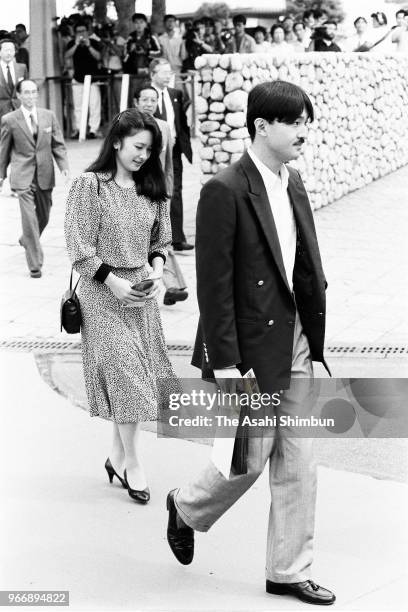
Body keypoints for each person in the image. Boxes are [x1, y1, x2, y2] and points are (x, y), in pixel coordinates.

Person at [165, 80, 335, 606]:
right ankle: (187, 507)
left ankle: (288, 570)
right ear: (262, 126)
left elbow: (302, 262)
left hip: (296, 340)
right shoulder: (225, 189)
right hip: (250, 347)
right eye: (296, 122)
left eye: (306, 121)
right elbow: (214, 286)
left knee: (300, 461)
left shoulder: (295, 181)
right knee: (250, 457)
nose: (304, 131)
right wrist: (225, 359)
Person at [65, 108, 176, 504]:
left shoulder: (151, 188)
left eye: (149, 150)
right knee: (126, 374)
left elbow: (161, 241)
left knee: (129, 378)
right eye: (138, 147)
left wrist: (157, 271)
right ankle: (133, 463)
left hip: (141, 295)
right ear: (116, 142)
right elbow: (79, 248)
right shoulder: (89, 186)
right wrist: (113, 283)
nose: (143, 156)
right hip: (101, 294)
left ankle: (115, 456)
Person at [0, 79, 69, 278]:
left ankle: (26, 239)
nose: (30, 96)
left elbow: (58, 145)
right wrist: (1, 175)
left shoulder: (49, 116)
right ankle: (35, 263)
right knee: (29, 219)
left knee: (44, 215)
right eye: (26, 93)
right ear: (19, 96)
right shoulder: (10, 119)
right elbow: (3, 150)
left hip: (45, 174)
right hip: (22, 176)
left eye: (33, 92)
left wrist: (63, 167)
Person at [134, 83, 188, 306]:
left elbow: (168, 165)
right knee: (150, 240)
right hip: (134, 191)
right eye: (144, 99)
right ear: (136, 102)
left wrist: (168, 191)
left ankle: (171, 286)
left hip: (157, 192)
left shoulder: (165, 127)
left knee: (159, 238)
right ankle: (169, 284)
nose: (149, 104)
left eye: (153, 100)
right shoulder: (128, 124)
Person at [150, 58, 193, 251]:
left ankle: (177, 237)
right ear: (153, 74)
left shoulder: (176, 94)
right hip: (153, 152)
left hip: (174, 151)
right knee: (154, 191)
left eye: (170, 72)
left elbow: (181, 123)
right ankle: (154, 237)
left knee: (176, 190)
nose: (168, 76)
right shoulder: (146, 96)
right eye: (164, 72)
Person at [64, 20, 102, 139]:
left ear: (88, 31)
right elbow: (66, 56)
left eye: (83, 31)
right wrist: (76, 44)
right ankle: (80, 129)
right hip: (78, 78)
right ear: (74, 33)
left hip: (93, 79)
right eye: (78, 31)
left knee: (94, 106)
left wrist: (88, 45)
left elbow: (98, 57)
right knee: (78, 106)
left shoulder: (94, 42)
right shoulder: (71, 43)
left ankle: (93, 130)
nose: (81, 33)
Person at [123, 13, 161, 105]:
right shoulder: (130, 38)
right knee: (135, 98)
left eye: (141, 22)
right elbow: (124, 57)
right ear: (133, 24)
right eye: (136, 23)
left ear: (145, 23)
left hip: (148, 73)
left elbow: (160, 53)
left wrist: (146, 51)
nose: (139, 25)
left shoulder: (151, 37)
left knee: (149, 98)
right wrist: (130, 51)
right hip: (134, 73)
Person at [0, 39, 27, 122]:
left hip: (19, 110)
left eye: (11, 50)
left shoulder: (22, 68)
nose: (9, 53)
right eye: (6, 50)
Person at [159, 14, 183, 81]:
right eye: (168, 21)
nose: (170, 23)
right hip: (164, 69)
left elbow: (183, 55)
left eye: (172, 21)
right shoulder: (160, 39)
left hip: (177, 69)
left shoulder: (180, 38)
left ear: (175, 23)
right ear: (164, 23)